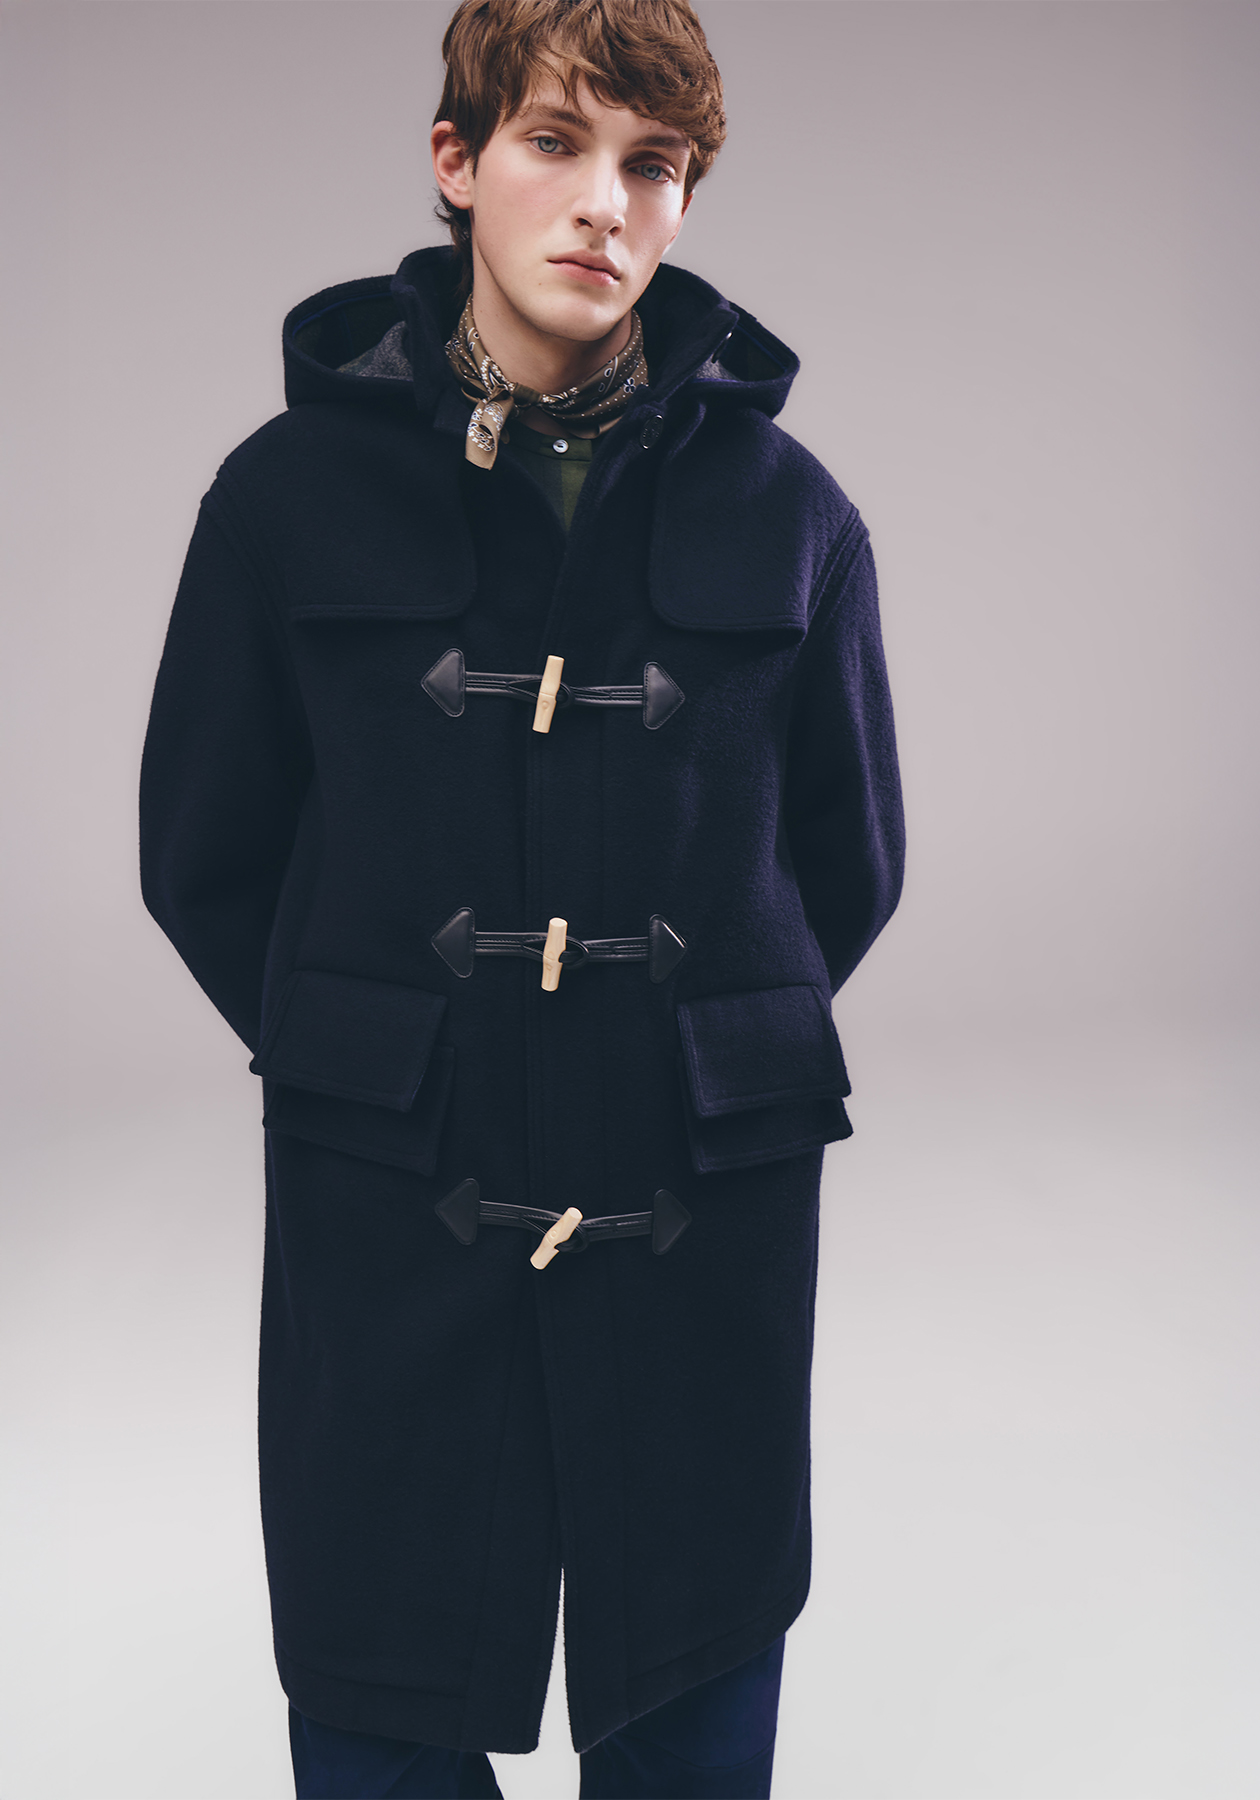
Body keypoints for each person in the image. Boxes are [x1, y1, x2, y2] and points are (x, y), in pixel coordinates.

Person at [138, 0, 905, 1793]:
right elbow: (207, 849)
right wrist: (382, 1039)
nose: (604, 205)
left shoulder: (793, 513)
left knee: (695, 1658)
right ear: (457, 159)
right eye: (556, 143)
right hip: (399, 1179)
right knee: (382, 1658)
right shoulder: (282, 498)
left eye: (656, 165)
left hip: (695, 1188)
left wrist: (679, 1036)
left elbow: (844, 859)